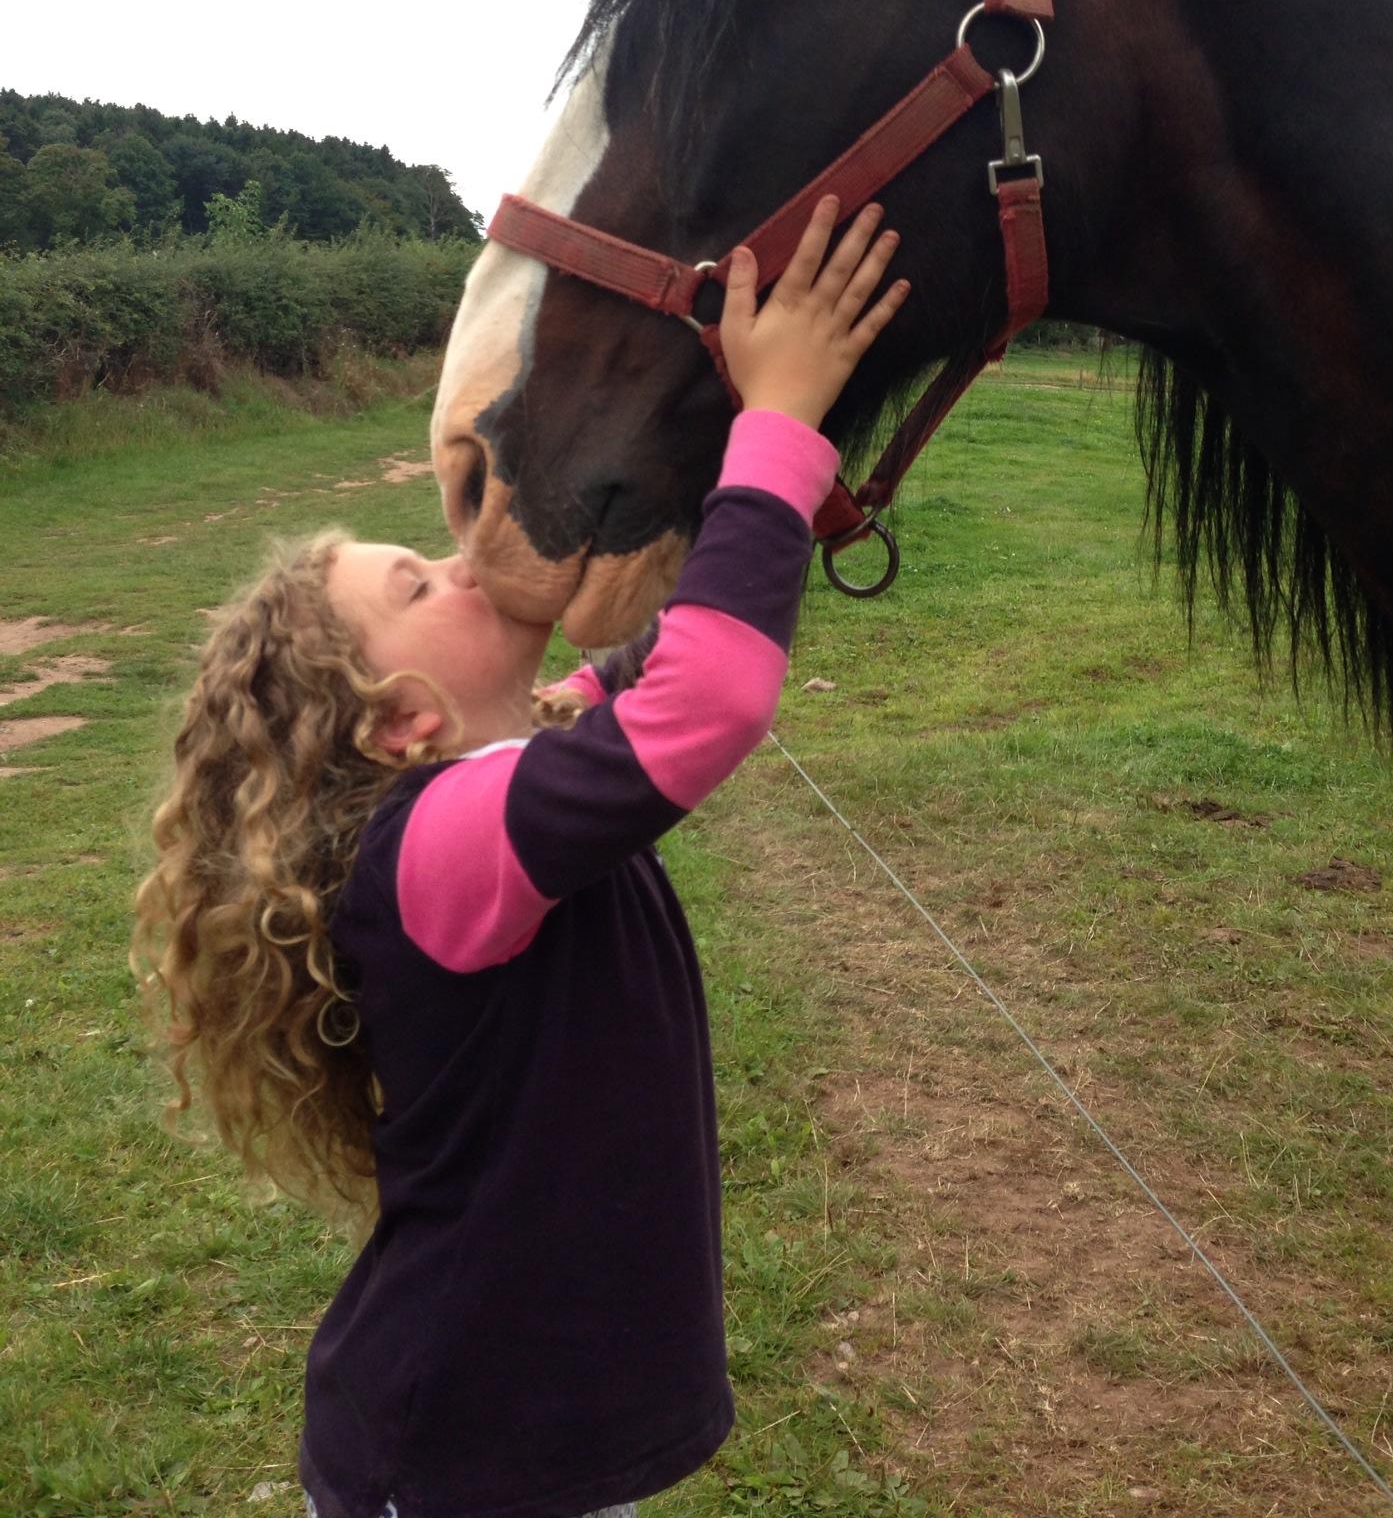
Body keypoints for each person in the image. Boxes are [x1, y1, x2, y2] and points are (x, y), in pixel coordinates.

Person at [133, 197, 909, 1518]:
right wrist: (779, 423)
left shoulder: (500, 779)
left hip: (501, 1436)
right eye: (418, 586)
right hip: (461, 1454)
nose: (460, 563)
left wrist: (746, 411)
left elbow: (670, 653)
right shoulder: (431, 851)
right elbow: (706, 703)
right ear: (399, 720)